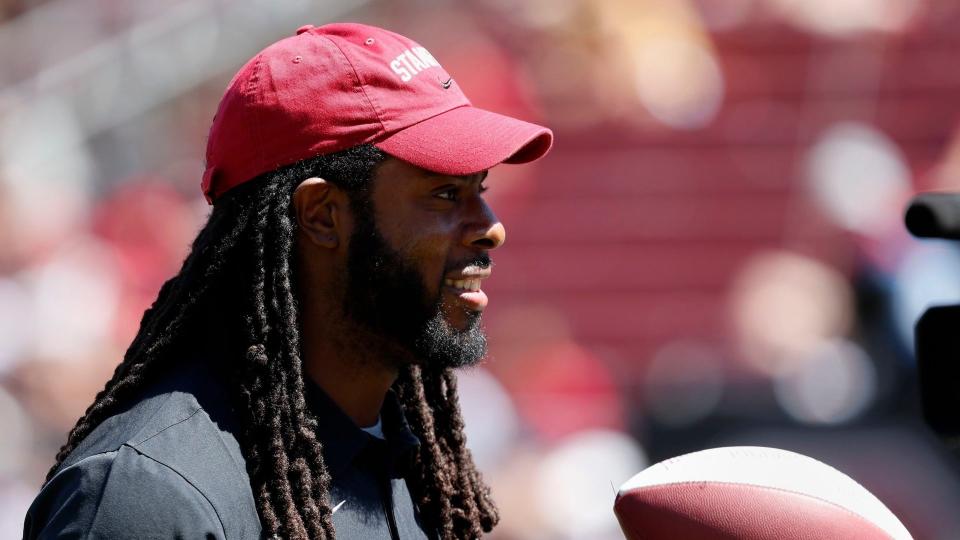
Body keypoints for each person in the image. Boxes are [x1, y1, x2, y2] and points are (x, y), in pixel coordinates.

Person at [22, 22, 552, 540]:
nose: (491, 229)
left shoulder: (420, 469)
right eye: (444, 194)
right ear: (322, 215)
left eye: (480, 189)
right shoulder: (147, 496)